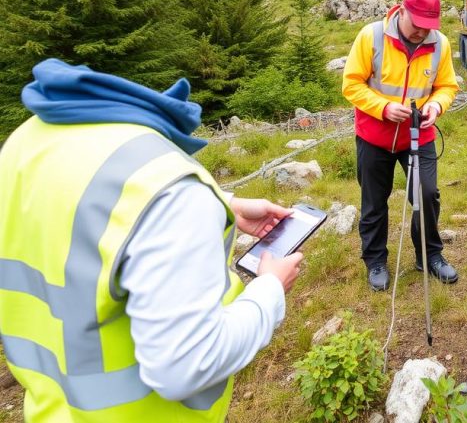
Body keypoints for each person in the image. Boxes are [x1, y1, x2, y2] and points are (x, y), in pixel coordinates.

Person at [0, 59, 304, 422]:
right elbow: (187, 367)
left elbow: (85, 203)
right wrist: (269, 289)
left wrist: (223, 205)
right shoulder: (171, 191)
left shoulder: (28, 139)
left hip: (48, 408)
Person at [342, 0, 460, 292]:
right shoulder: (371, 36)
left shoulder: (440, 44)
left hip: (419, 137)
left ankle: (430, 255)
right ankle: (376, 261)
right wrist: (382, 107)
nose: (421, 31)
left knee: (427, 195)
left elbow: (447, 86)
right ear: (401, 11)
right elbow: (351, 84)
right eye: (416, 23)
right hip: (374, 137)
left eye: (428, 25)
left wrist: (437, 105)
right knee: (374, 202)